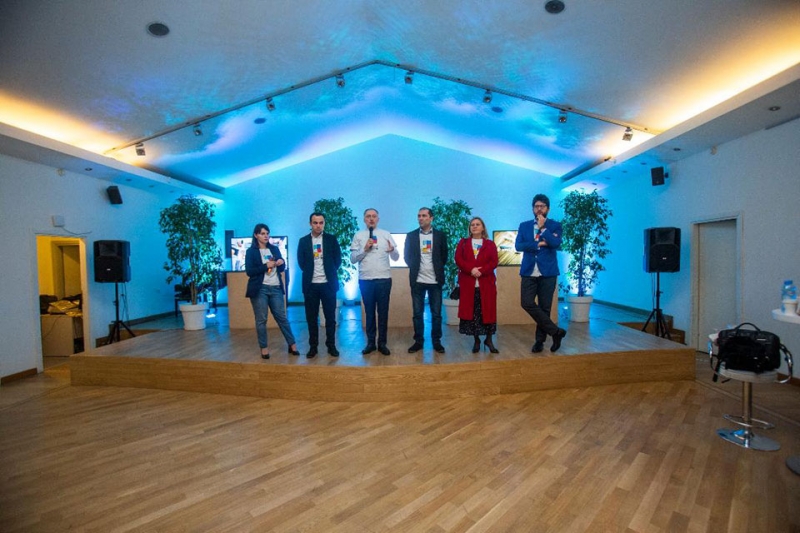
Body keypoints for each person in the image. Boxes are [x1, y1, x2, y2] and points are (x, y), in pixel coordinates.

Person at [515, 194, 567, 352]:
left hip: (548, 272)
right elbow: (518, 246)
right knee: (526, 302)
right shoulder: (524, 226)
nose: (539, 209)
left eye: (542, 206)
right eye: (536, 206)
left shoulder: (555, 225)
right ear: (533, 209)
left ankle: (539, 341)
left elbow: (556, 243)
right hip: (529, 271)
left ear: (548, 209)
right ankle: (556, 332)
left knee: (545, 308)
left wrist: (543, 228)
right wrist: (540, 244)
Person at [245, 223, 299, 359]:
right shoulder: (251, 252)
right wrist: (265, 266)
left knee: (282, 317)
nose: (266, 236)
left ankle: (292, 344)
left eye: (267, 233)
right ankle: (264, 348)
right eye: (262, 234)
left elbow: (281, 269)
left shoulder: (274, 249)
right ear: (256, 235)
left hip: (275, 287)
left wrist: (281, 262)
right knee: (261, 319)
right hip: (260, 289)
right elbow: (249, 271)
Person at [350, 208, 399, 355]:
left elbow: (396, 257)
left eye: (374, 216)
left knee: (383, 313)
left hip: (384, 279)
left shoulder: (386, 234)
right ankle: (370, 343)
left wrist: (392, 250)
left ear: (378, 219)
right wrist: (365, 248)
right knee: (369, 313)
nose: (371, 219)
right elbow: (353, 259)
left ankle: (382, 343)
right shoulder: (359, 235)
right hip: (366, 280)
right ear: (364, 219)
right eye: (368, 216)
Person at [297, 212, 342, 358]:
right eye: (315, 223)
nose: (318, 225)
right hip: (311, 286)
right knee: (311, 318)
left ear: (324, 223)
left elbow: (338, 260)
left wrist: (329, 272)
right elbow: (301, 262)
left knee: (330, 318)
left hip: (328, 285)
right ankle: (313, 347)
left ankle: (331, 346)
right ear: (310, 224)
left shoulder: (331, 239)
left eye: (321, 222)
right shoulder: (303, 241)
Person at [404, 207, 448, 354]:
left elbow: (444, 256)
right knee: (417, 313)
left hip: (435, 281)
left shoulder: (440, 235)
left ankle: (437, 342)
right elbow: (407, 256)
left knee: (436, 314)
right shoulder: (411, 236)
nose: (420, 218)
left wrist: (436, 268)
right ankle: (418, 341)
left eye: (424, 216)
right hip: (418, 280)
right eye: (419, 216)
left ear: (431, 218)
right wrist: (416, 267)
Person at [455, 217, 499, 353]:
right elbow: (458, 259)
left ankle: (489, 340)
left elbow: (494, 261)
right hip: (468, 284)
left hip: (486, 284)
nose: (474, 226)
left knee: (488, 312)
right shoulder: (463, 243)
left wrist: (481, 271)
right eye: (472, 224)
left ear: (483, 227)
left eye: (477, 224)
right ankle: (476, 341)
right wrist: (471, 270)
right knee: (473, 314)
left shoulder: (490, 244)